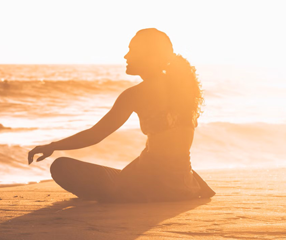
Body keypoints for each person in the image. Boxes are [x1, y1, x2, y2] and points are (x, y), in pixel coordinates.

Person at [28, 28, 215, 203]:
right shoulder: (183, 88)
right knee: (117, 174)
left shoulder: (136, 94)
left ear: (150, 57)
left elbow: (96, 134)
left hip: (152, 186)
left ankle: (118, 195)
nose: (126, 56)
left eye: (132, 50)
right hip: (183, 184)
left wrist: (53, 146)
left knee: (61, 167)